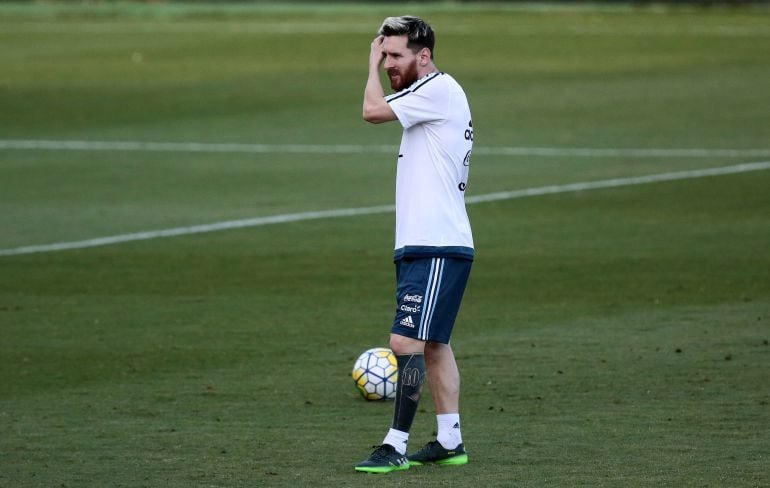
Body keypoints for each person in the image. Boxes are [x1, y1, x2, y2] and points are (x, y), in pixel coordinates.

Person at [354, 15, 475, 474]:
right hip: (426, 243)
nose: (388, 64)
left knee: (403, 341)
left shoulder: (436, 89)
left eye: (396, 55)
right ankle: (449, 441)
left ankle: (396, 444)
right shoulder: (430, 94)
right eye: (384, 55)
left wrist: (367, 65)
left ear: (424, 56)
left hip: (437, 243)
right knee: (434, 345)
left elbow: (371, 112)